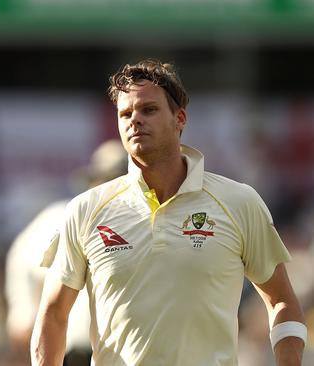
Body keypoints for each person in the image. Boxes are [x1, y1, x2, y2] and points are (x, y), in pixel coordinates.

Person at [30, 59, 307, 365]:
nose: (135, 120)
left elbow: (281, 299)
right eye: (125, 114)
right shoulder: (86, 209)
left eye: (148, 110)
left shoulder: (239, 202)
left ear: (180, 118)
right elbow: (53, 315)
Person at [5, 139, 127, 366]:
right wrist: (24, 311)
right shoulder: (63, 217)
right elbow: (21, 261)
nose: (111, 186)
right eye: (106, 179)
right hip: (74, 351)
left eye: (119, 179)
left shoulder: (149, 224)